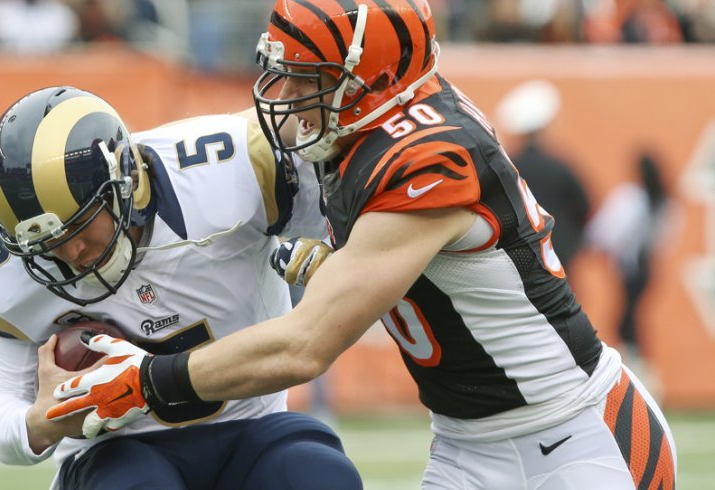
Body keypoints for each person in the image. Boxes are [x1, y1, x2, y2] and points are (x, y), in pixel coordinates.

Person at [46, 2, 678, 489]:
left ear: (372, 79)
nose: (288, 100)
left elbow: (304, 345)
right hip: (466, 446)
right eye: (283, 75)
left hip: (577, 437)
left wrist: (146, 380)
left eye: (308, 80)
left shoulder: (428, 154)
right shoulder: (358, 133)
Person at [0, 86, 361, 489]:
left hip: (251, 427)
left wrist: (334, 257)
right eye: (46, 245)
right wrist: (41, 423)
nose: (70, 251)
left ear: (125, 181)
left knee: (317, 476)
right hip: (118, 454)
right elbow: (0, 414)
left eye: (79, 224)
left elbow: (360, 243)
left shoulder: (234, 168)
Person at [585, 151, 671, 382]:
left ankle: (639, 374)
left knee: (626, 322)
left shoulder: (633, 198)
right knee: (629, 319)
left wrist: (599, 245)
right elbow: (664, 240)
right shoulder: (662, 202)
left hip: (630, 267)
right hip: (646, 269)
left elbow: (611, 231)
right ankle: (640, 370)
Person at [495, 79, 591, 270]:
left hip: (518, 250)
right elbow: (584, 206)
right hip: (558, 248)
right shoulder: (558, 165)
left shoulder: (508, 166)